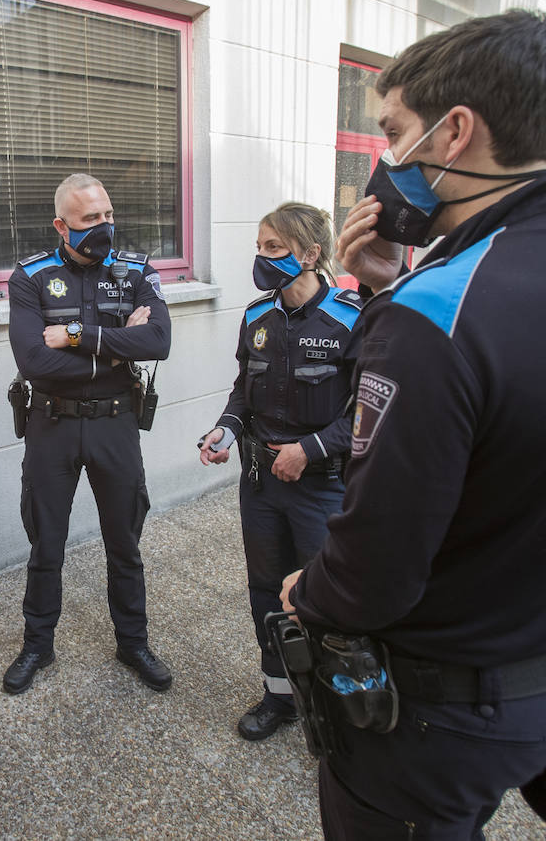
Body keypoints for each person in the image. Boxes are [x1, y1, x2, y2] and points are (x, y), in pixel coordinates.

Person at [280, 9, 546, 839]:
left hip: (443, 714)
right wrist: (389, 292)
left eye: (394, 135)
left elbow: (375, 571)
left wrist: (308, 592)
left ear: (455, 132)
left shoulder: (437, 311)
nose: (385, 162)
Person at [2, 173, 173, 694]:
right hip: (50, 424)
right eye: (88, 220)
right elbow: (33, 360)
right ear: (61, 225)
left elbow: (160, 340)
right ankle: (37, 644)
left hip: (116, 424)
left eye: (107, 215)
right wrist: (121, 348)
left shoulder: (136, 270)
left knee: (125, 541)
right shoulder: (29, 277)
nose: (103, 227)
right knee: (46, 543)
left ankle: (133, 642)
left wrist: (82, 338)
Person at [197, 203, 361, 741]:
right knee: (267, 592)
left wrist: (309, 449)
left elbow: (368, 413)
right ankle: (280, 695)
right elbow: (244, 390)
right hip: (261, 485)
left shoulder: (352, 318)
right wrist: (224, 428)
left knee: (324, 596)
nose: (262, 257)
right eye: (260, 246)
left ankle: (339, 708)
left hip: (323, 488)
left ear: (311, 254)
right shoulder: (255, 318)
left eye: (275, 248)